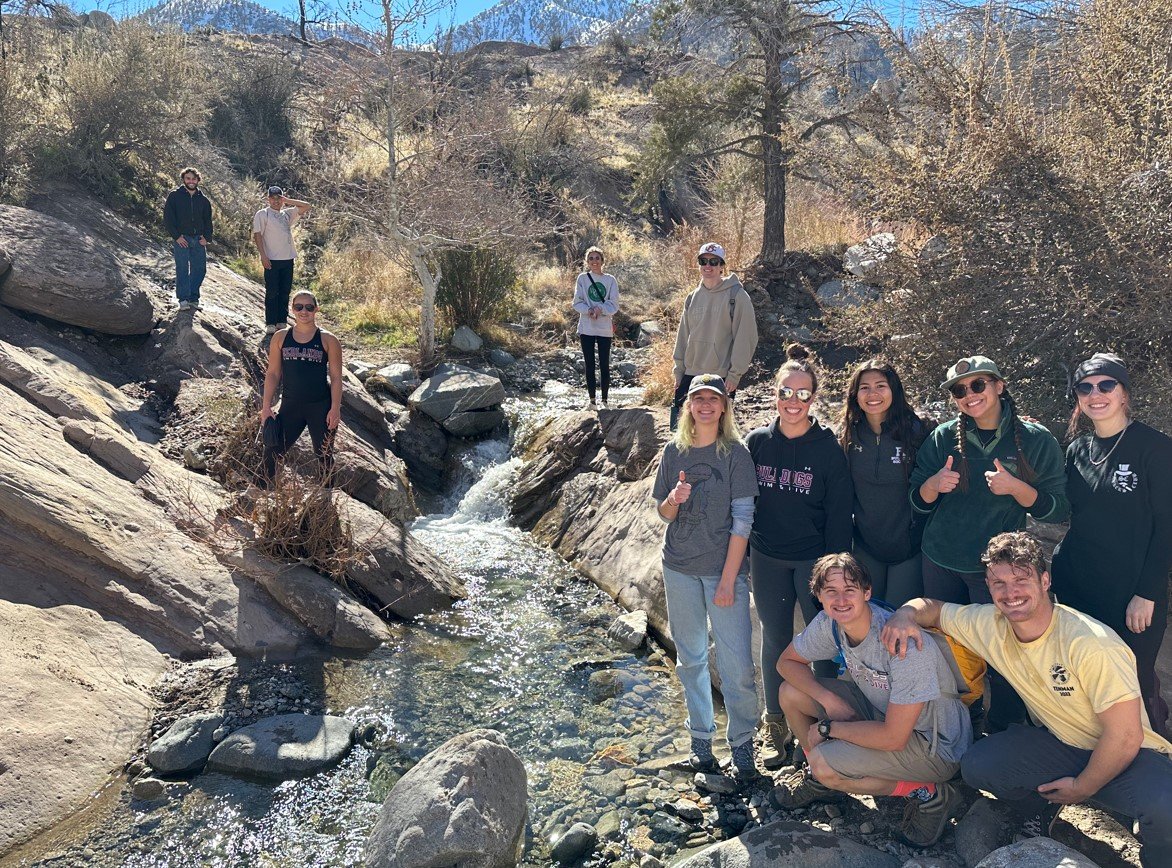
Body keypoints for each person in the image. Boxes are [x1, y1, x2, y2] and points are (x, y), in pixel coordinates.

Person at [882, 532, 1172, 867]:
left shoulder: (1090, 644)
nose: (1011, 593)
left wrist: (1082, 787)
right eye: (999, 583)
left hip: (1128, 753)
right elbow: (933, 609)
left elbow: (1125, 737)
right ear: (988, 586)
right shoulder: (989, 623)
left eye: (1021, 580)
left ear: (1045, 580)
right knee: (979, 765)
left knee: (1165, 806)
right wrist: (904, 614)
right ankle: (1043, 805)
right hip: (1063, 744)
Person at [909, 355, 1068, 732]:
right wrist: (932, 485)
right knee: (947, 651)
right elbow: (916, 500)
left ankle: (1004, 730)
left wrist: (1018, 489)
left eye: (978, 384)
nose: (969, 394)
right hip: (941, 560)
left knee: (1004, 653)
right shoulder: (943, 437)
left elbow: (1057, 508)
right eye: (959, 390)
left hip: (998, 572)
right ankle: (958, 725)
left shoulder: (1035, 440)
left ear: (999, 386)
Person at [771, 553, 972, 847]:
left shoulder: (902, 644)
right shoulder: (830, 623)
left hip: (935, 746)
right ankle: (821, 778)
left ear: (867, 592)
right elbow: (786, 663)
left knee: (826, 765)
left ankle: (930, 794)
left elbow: (894, 738)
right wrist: (828, 700)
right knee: (790, 693)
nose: (841, 600)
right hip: (881, 712)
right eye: (831, 591)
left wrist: (829, 728)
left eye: (849, 589)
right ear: (819, 596)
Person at [1051, 353, 1172, 737]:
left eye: (1106, 385)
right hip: (1077, 586)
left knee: (1133, 682)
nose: (1095, 394)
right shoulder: (1078, 449)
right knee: (1086, 678)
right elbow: (1064, 508)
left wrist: (1147, 593)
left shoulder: (1156, 449)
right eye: (1085, 387)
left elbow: (1167, 527)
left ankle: (1153, 754)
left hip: (1130, 594)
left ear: (1124, 393)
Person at [746, 344, 853, 767]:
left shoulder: (827, 449)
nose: (794, 401)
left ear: (814, 398)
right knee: (775, 639)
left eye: (803, 393)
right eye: (786, 392)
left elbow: (839, 515)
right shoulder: (757, 442)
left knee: (822, 642)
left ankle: (826, 725)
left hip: (814, 562)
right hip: (767, 557)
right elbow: (743, 505)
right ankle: (775, 723)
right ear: (775, 394)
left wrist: (834, 573)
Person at [652, 373, 761, 784]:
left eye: (713, 399)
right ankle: (701, 740)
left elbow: (743, 519)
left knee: (736, 663)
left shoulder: (736, 454)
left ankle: (743, 743)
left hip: (723, 571)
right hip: (678, 567)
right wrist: (673, 500)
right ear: (689, 406)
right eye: (698, 398)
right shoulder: (673, 451)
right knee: (691, 659)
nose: (705, 405)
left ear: (723, 407)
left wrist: (729, 579)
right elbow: (663, 514)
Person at [838, 359, 933, 606]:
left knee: (896, 618)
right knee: (867, 615)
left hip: (909, 547)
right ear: (855, 394)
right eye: (864, 387)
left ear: (894, 389)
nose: (873, 394)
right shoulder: (848, 434)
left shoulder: (918, 431)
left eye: (881, 385)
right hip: (866, 546)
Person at [669, 242, 758, 431]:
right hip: (690, 373)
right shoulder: (692, 297)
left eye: (713, 261)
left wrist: (735, 374)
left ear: (722, 266)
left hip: (721, 375)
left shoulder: (737, 295)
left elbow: (746, 337)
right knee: (682, 431)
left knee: (717, 432)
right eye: (703, 261)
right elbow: (683, 335)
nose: (708, 266)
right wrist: (679, 370)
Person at [260, 291, 342, 481]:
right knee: (272, 452)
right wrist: (266, 406)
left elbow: (336, 377)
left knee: (324, 455)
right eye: (299, 307)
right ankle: (258, 492)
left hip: (320, 407)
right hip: (290, 406)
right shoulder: (280, 337)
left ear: (316, 309)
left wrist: (335, 409)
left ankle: (326, 494)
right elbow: (273, 373)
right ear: (292, 309)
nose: (303, 311)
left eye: (309, 307)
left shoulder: (328, 340)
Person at [253, 186, 311, 334]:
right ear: (268, 199)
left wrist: (288, 200)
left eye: (279, 198)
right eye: (273, 198)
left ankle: (281, 321)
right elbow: (257, 235)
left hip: (288, 258)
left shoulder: (287, 214)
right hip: (272, 259)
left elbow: (306, 206)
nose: (276, 201)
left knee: (285, 291)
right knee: (272, 292)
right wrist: (263, 256)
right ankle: (270, 323)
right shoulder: (263, 214)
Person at [571, 246, 619, 409]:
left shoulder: (610, 280)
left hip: (604, 327)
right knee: (589, 364)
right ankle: (592, 401)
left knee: (604, 364)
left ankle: (604, 401)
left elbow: (614, 304)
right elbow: (577, 302)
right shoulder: (582, 279)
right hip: (587, 327)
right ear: (587, 261)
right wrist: (589, 310)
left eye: (597, 258)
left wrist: (601, 309)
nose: (594, 261)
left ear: (602, 260)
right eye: (591, 258)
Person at [163, 167, 213, 312]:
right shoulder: (175, 196)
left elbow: (208, 221)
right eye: (188, 178)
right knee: (182, 268)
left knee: (200, 269)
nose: (191, 181)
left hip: (198, 239)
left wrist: (207, 238)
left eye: (193, 179)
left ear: (198, 180)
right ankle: (183, 300)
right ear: (184, 179)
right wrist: (176, 236)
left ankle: (193, 298)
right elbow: (168, 218)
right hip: (182, 238)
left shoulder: (203, 200)